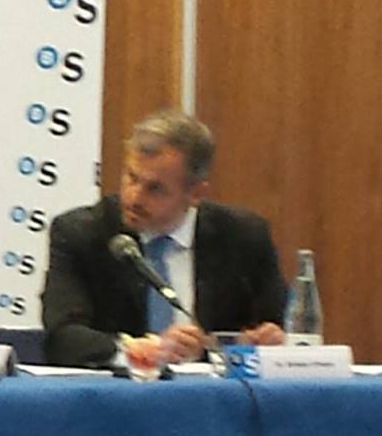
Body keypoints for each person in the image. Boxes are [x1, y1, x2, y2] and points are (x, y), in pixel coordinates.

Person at [41, 109, 286, 367]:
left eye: (155, 188)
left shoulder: (243, 237)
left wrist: (260, 342)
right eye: (132, 178)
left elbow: (272, 328)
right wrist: (146, 350)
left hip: (213, 390)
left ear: (195, 193)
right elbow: (62, 338)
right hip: (119, 389)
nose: (134, 198)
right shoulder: (82, 233)